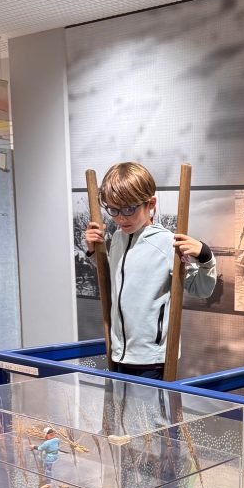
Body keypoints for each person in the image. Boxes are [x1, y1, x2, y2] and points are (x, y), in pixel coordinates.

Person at [84, 161, 217, 379]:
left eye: (129, 209)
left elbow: (201, 289)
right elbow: (115, 277)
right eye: (113, 210)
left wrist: (205, 256)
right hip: (118, 353)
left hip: (151, 361)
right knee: (119, 403)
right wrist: (93, 252)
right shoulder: (117, 238)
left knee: (150, 404)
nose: (121, 218)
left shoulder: (166, 243)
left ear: (150, 203)